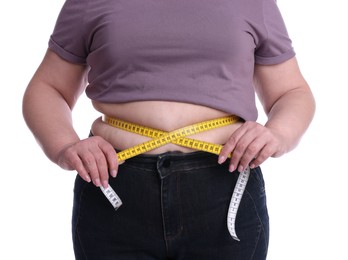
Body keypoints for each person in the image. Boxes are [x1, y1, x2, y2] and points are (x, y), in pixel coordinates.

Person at [22, 0, 315, 259]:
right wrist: (65, 146)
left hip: (224, 187)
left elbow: (290, 91)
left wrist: (277, 133)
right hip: (113, 182)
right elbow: (48, 88)